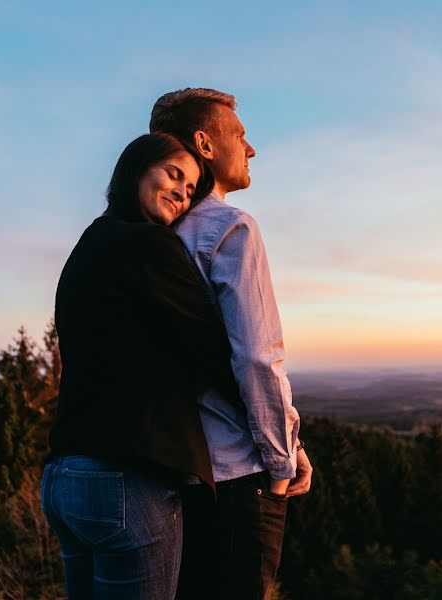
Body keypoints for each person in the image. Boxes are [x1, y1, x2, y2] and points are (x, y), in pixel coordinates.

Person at [41, 132, 241, 599]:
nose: (181, 192)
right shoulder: (150, 244)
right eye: (173, 174)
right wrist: (277, 434)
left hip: (65, 480)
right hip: (127, 482)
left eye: (190, 189)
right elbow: (216, 350)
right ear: (136, 169)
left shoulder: (89, 242)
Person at [150, 88, 313, 600]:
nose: (251, 148)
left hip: (173, 476)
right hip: (240, 473)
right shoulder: (230, 228)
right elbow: (257, 357)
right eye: (239, 135)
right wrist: (283, 460)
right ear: (204, 143)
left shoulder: (155, 234)